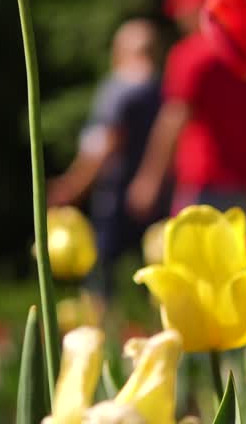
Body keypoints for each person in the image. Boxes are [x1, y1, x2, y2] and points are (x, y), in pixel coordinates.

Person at [126, 0, 246, 231]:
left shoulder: (190, 54)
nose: (179, 20)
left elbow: (174, 119)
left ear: (200, 11)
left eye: (183, 11)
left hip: (203, 186)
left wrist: (149, 179)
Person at [49, 19, 167, 297]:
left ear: (120, 50)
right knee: (156, 278)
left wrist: (73, 186)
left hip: (115, 194)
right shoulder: (165, 89)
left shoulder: (120, 87)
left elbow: (105, 144)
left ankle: (100, 331)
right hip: (160, 194)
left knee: (100, 276)